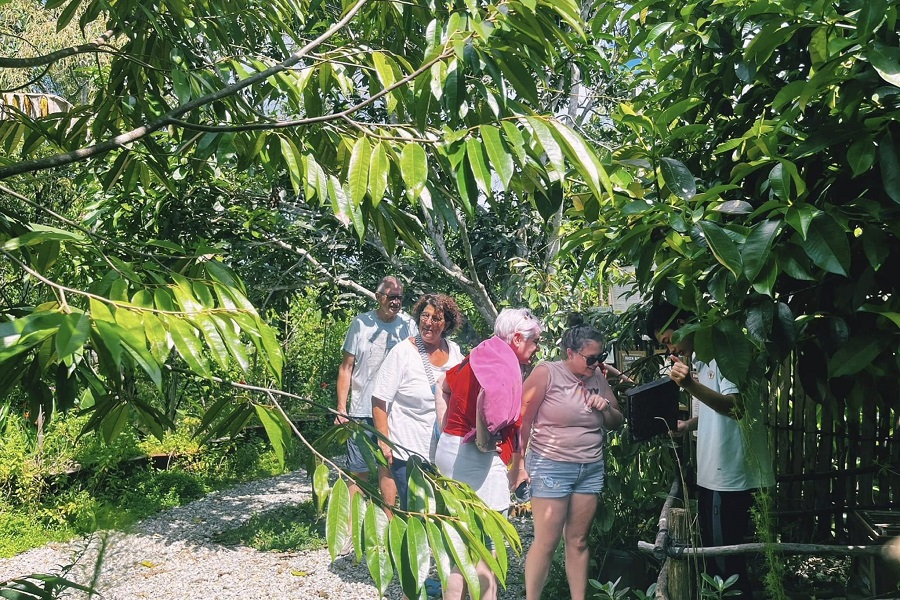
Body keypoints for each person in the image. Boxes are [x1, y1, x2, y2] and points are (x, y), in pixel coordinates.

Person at [647, 302, 775, 598]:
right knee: (720, 559)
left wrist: (689, 385)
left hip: (729, 477)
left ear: (681, 322)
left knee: (724, 565)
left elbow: (737, 408)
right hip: (715, 476)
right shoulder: (703, 360)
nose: (670, 350)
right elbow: (715, 410)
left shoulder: (723, 353)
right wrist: (686, 425)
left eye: (668, 341)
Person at [434, 307, 543, 600]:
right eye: (535, 342)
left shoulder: (481, 353)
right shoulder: (501, 363)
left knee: (458, 545)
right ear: (518, 338)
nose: (536, 349)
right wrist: (483, 438)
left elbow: (442, 385)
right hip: (474, 456)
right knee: (488, 547)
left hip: (450, 447)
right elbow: (488, 399)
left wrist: (446, 424)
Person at [517, 320, 624, 600]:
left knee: (577, 541)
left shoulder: (597, 377)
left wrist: (605, 409)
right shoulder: (547, 373)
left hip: (589, 468)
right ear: (569, 352)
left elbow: (618, 421)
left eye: (600, 357)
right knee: (547, 542)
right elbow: (522, 422)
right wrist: (517, 467)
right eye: (591, 358)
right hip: (551, 465)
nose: (596, 364)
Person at [372, 293, 463, 510]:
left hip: (443, 450)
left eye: (436, 318)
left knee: (442, 511)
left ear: (447, 324)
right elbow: (379, 399)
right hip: (407, 449)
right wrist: (384, 441)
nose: (428, 322)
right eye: (425, 315)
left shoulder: (455, 352)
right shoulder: (403, 352)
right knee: (415, 511)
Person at [335, 276, 417, 495]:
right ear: (378, 297)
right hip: (361, 410)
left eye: (400, 297)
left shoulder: (409, 325)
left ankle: (390, 521)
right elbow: (346, 368)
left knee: (388, 466)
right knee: (358, 470)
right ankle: (352, 524)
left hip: (394, 411)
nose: (396, 302)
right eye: (392, 297)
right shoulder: (360, 324)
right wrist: (341, 408)